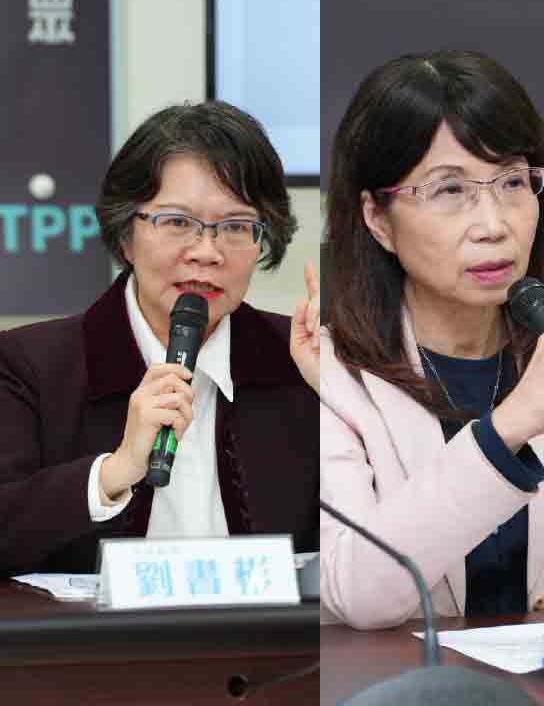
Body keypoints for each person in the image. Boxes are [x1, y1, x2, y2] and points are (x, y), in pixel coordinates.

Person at [317, 50, 544, 630]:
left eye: (513, 182)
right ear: (377, 218)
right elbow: (359, 596)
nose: (493, 225)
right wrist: (510, 425)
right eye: (449, 191)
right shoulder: (330, 376)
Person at [0, 101, 320, 576]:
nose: (207, 252)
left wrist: (346, 399)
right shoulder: (32, 367)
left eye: (235, 226)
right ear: (126, 235)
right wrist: (113, 472)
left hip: (266, 628)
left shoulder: (301, 362)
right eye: (177, 222)